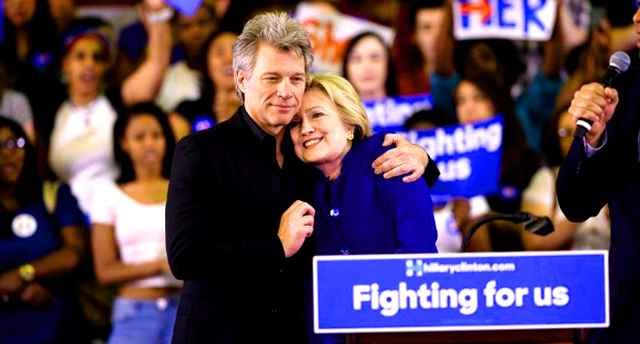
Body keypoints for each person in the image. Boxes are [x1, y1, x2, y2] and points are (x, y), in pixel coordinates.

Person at [166, 12, 437, 344]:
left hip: (296, 334)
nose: (286, 91)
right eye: (272, 78)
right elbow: (185, 256)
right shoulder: (200, 151)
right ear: (241, 79)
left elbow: (371, 165)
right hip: (221, 334)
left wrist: (423, 158)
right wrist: (277, 246)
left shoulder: (307, 157)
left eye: (296, 78)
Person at [556, 4, 640, 342]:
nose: (636, 17)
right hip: (631, 310)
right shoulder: (625, 84)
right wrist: (594, 140)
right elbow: (576, 203)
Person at [291, 73, 438, 255]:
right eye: (294, 123)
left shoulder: (383, 154)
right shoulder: (299, 185)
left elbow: (419, 247)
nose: (305, 129)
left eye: (317, 115)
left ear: (349, 123)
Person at [48, 0, 172, 216]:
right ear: (65, 65)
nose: (89, 64)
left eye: (97, 58)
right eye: (80, 56)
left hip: (115, 214)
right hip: (69, 221)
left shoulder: (117, 102)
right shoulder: (54, 113)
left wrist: (158, 16)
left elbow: (157, 66)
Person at [90, 103, 180, 344]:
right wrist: (160, 267)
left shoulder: (186, 188)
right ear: (124, 143)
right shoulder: (108, 194)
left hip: (184, 308)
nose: (150, 143)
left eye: (156, 135)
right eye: (139, 137)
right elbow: (105, 270)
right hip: (135, 313)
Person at [0, 117, 87, 343]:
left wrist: (23, 275)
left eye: (13, 144)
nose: (6, 154)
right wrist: (17, 289)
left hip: (57, 324)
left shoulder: (53, 194)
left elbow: (74, 253)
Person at [171, 29, 241, 139]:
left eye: (236, 52)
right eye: (219, 53)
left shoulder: (265, 111)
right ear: (206, 63)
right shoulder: (186, 112)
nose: (229, 59)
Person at [341, 31, 398, 101]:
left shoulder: (409, 109)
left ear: (388, 64)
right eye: (357, 59)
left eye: (375, 58)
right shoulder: (334, 110)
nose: (366, 67)